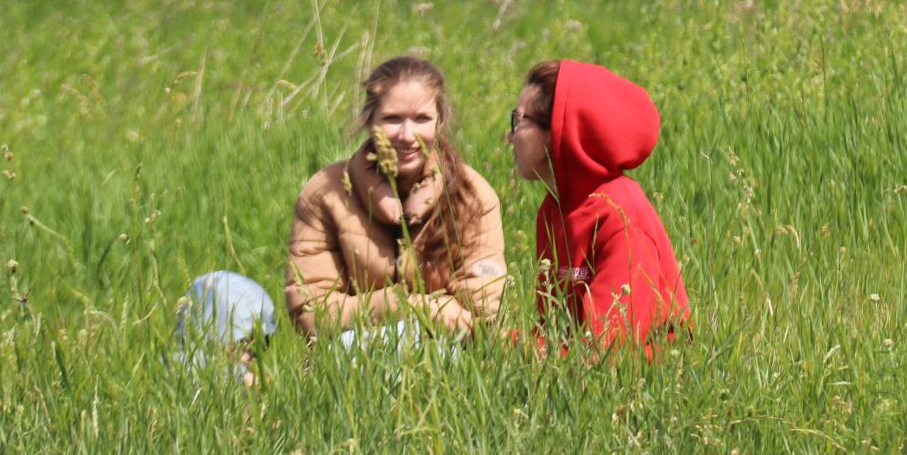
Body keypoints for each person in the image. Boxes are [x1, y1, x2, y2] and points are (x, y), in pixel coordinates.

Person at [285, 55, 508, 342]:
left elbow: (483, 313)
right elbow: (310, 312)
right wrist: (409, 306)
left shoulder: (471, 194)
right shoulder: (326, 193)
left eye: (421, 119)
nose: (406, 135)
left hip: (449, 352)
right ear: (369, 121)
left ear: (441, 122)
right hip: (351, 355)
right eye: (392, 119)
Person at [505, 59, 688, 354]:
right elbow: (552, 334)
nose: (509, 137)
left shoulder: (621, 218)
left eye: (518, 121)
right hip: (568, 380)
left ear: (558, 130)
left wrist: (502, 345)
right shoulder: (555, 207)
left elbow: (605, 356)